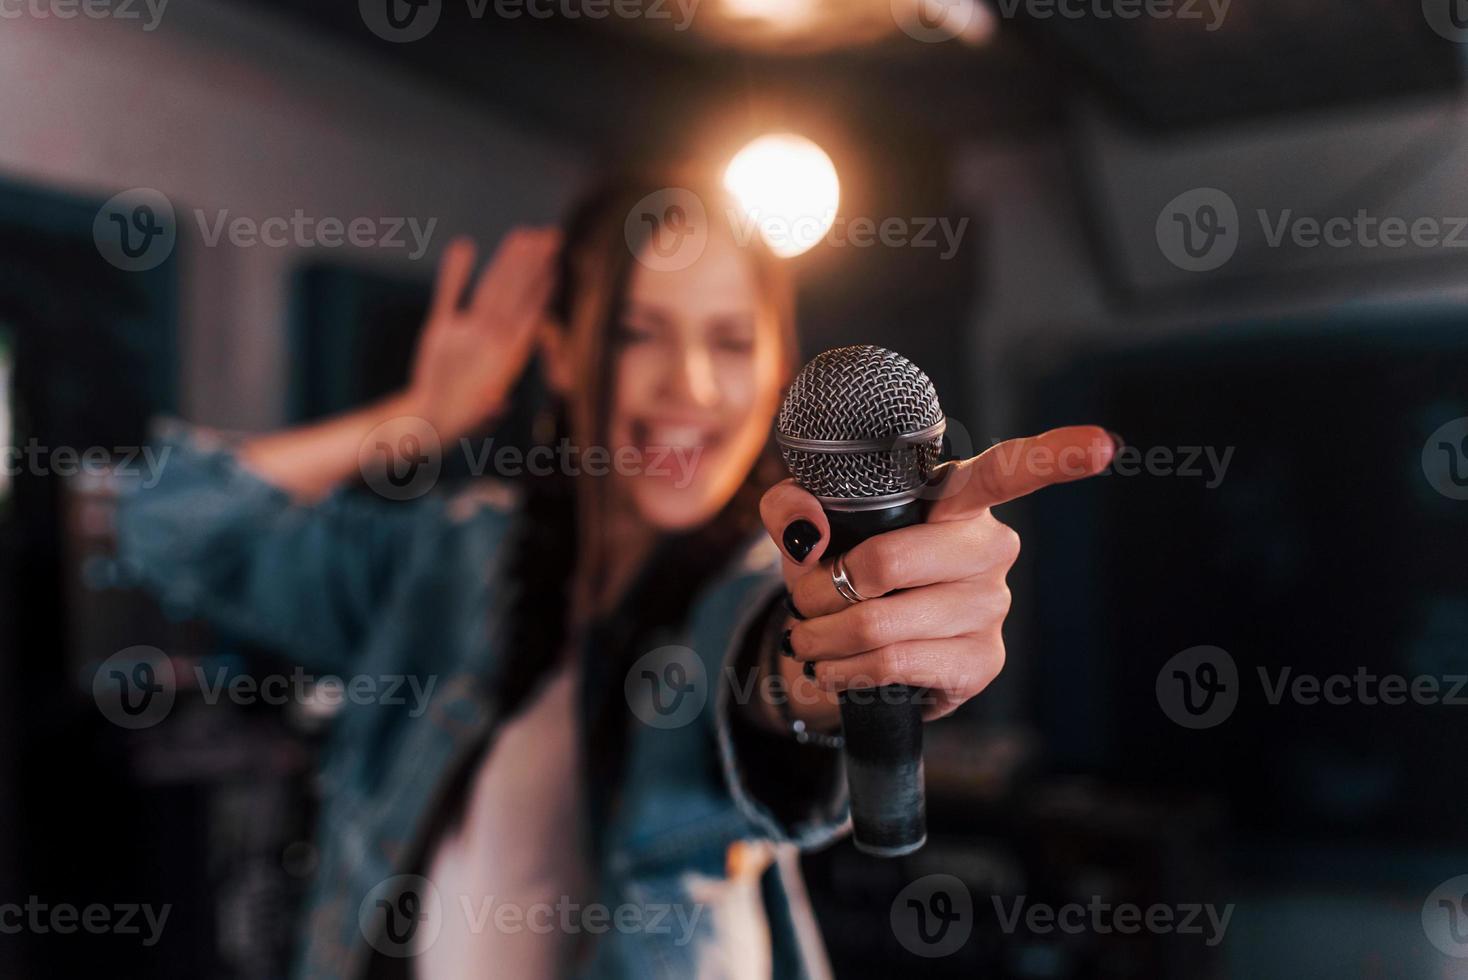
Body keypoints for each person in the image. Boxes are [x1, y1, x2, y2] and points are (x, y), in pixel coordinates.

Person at [115, 174, 1117, 979]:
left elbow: (764, 663)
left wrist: (824, 669)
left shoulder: (761, 578)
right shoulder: (448, 554)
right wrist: (414, 418)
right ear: (556, 350)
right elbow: (164, 521)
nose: (687, 384)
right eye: (638, 331)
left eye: (730, 340)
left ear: (775, 372)